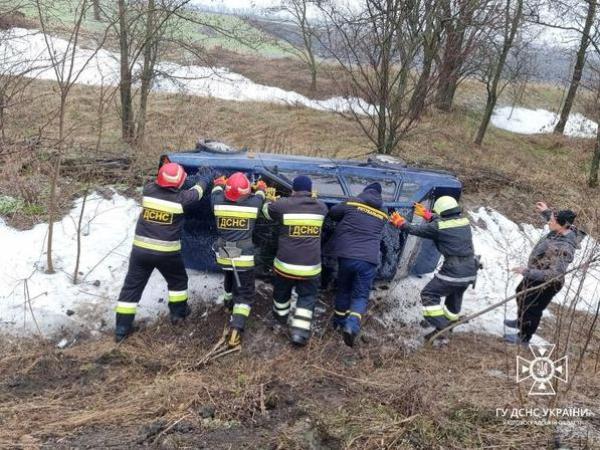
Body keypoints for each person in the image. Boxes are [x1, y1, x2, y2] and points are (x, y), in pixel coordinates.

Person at [115, 163, 208, 342]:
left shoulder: (148, 190)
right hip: (167, 253)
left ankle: (121, 329)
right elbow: (197, 193)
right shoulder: (181, 199)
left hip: (140, 251)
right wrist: (204, 178)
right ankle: (178, 314)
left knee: (131, 288)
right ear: (180, 182)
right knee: (178, 281)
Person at [390, 196, 478, 342]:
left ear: (442, 211)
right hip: (470, 270)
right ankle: (449, 323)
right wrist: (428, 215)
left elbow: (415, 229)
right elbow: (444, 222)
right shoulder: (464, 221)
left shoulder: (438, 227)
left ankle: (442, 327)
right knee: (454, 297)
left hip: (454, 270)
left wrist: (401, 223)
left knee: (429, 294)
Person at [262, 175, 329, 346]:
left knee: (281, 294)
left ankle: (280, 319)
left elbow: (266, 212)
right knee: (307, 297)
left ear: (293, 190)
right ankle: (299, 333)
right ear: (311, 191)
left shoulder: (283, 205)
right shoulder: (321, 207)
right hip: (310, 268)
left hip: (285, 266)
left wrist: (269, 200)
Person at [325, 182, 391, 347]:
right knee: (360, 295)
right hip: (368, 259)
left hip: (346, 256)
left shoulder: (352, 202)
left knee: (344, 289)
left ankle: (338, 322)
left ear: (365, 191)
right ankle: (351, 325)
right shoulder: (383, 212)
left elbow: (333, 213)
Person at [504, 202, 578, 345]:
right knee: (520, 292)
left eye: (552, 220)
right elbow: (556, 220)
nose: (549, 222)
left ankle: (524, 337)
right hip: (536, 273)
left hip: (548, 282)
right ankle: (521, 321)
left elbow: (554, 274)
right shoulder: (562, 229)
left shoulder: (565, 247)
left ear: (562, 225)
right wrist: (546, 212)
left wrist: (526, 271)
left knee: (532, 307)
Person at [211, 172, 266, 348]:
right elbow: (261, 193)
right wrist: (261, 187)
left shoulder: (217, 202)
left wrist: (220, 181)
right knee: (245, 295)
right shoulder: (254, 205)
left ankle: (228, 302)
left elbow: (217, 187)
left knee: (229, 273)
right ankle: (236, 330)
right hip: (243, 256)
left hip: (226, 252)